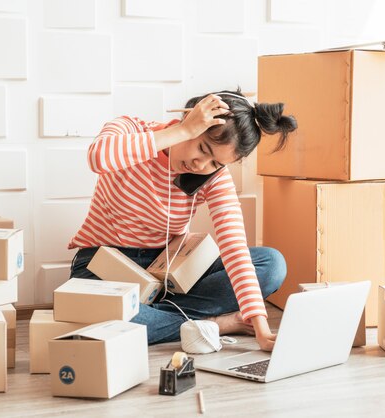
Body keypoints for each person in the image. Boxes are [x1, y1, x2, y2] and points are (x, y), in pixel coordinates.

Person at [68, 88, 297, 351]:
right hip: (100, 264)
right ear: (190, 119)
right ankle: (212, 323)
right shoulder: (131, 130)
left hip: (168, 272)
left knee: (271, 264)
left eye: (215, 163)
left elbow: (234, 248)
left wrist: (261, 328)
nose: (201, 166)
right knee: (92, 314)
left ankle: (156, 318)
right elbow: (98, 157)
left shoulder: (213, 177)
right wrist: (183, 131)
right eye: (202, 147)